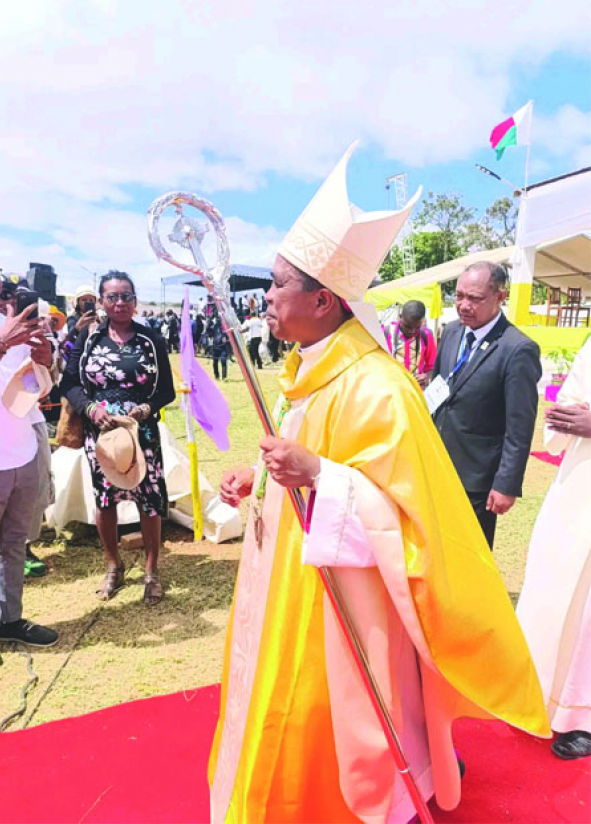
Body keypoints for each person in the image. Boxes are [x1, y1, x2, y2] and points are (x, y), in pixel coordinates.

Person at [208, 145, 549, 822]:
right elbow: (299, 457)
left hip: (342, 600)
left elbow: (404, 513)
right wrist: (262, 477)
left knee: (332, 712)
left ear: (323, 298)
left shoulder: (376, 385)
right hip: (286, 575)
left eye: (278, 284)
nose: (266, 296)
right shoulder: (310, 364)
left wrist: (321, 478)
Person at [61, 270, 175, 605]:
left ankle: (152, 570)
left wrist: (142, 410)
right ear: (101, 301)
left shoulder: (150, 339)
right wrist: (90, 408)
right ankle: (114, 566)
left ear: (136, 301)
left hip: (141, 432)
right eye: (112, 297)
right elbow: (68, 383)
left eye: (126, 296)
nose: (120, 302)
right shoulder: (89, 338)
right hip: (103, 435)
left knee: (150, 500)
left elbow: (166, 390)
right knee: (105, 500)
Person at [0, 243, 59, 668]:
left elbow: (40, 384)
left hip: (23, 451)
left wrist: (46, 357)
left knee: (14, 545)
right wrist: (1, 344)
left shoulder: (12, 320)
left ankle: (12, 621)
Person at [430, 262, 541, 549]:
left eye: (475, 298)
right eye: (459, 296)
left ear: (500, 297)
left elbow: (520, 426)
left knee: (468, 553)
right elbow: (438, 392)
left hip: (476, 478)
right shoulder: (452, 331)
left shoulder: (517, 349)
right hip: (436, 464)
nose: (464, 305)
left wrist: (506, 484)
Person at [517, 339, 591, 760]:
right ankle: (542, 694)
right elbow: (572, 395)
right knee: (555, 585)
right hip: (577, 483)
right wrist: (564, 416)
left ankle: (583, 717)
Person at [384, 300, 437, 387]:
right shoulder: (385, 333)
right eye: (407, 326)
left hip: (415, 392)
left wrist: (427, 376)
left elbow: (432, 365)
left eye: (417, 327)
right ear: (400, 317)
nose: (412, 331)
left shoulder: (426, 335)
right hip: (391, 390)